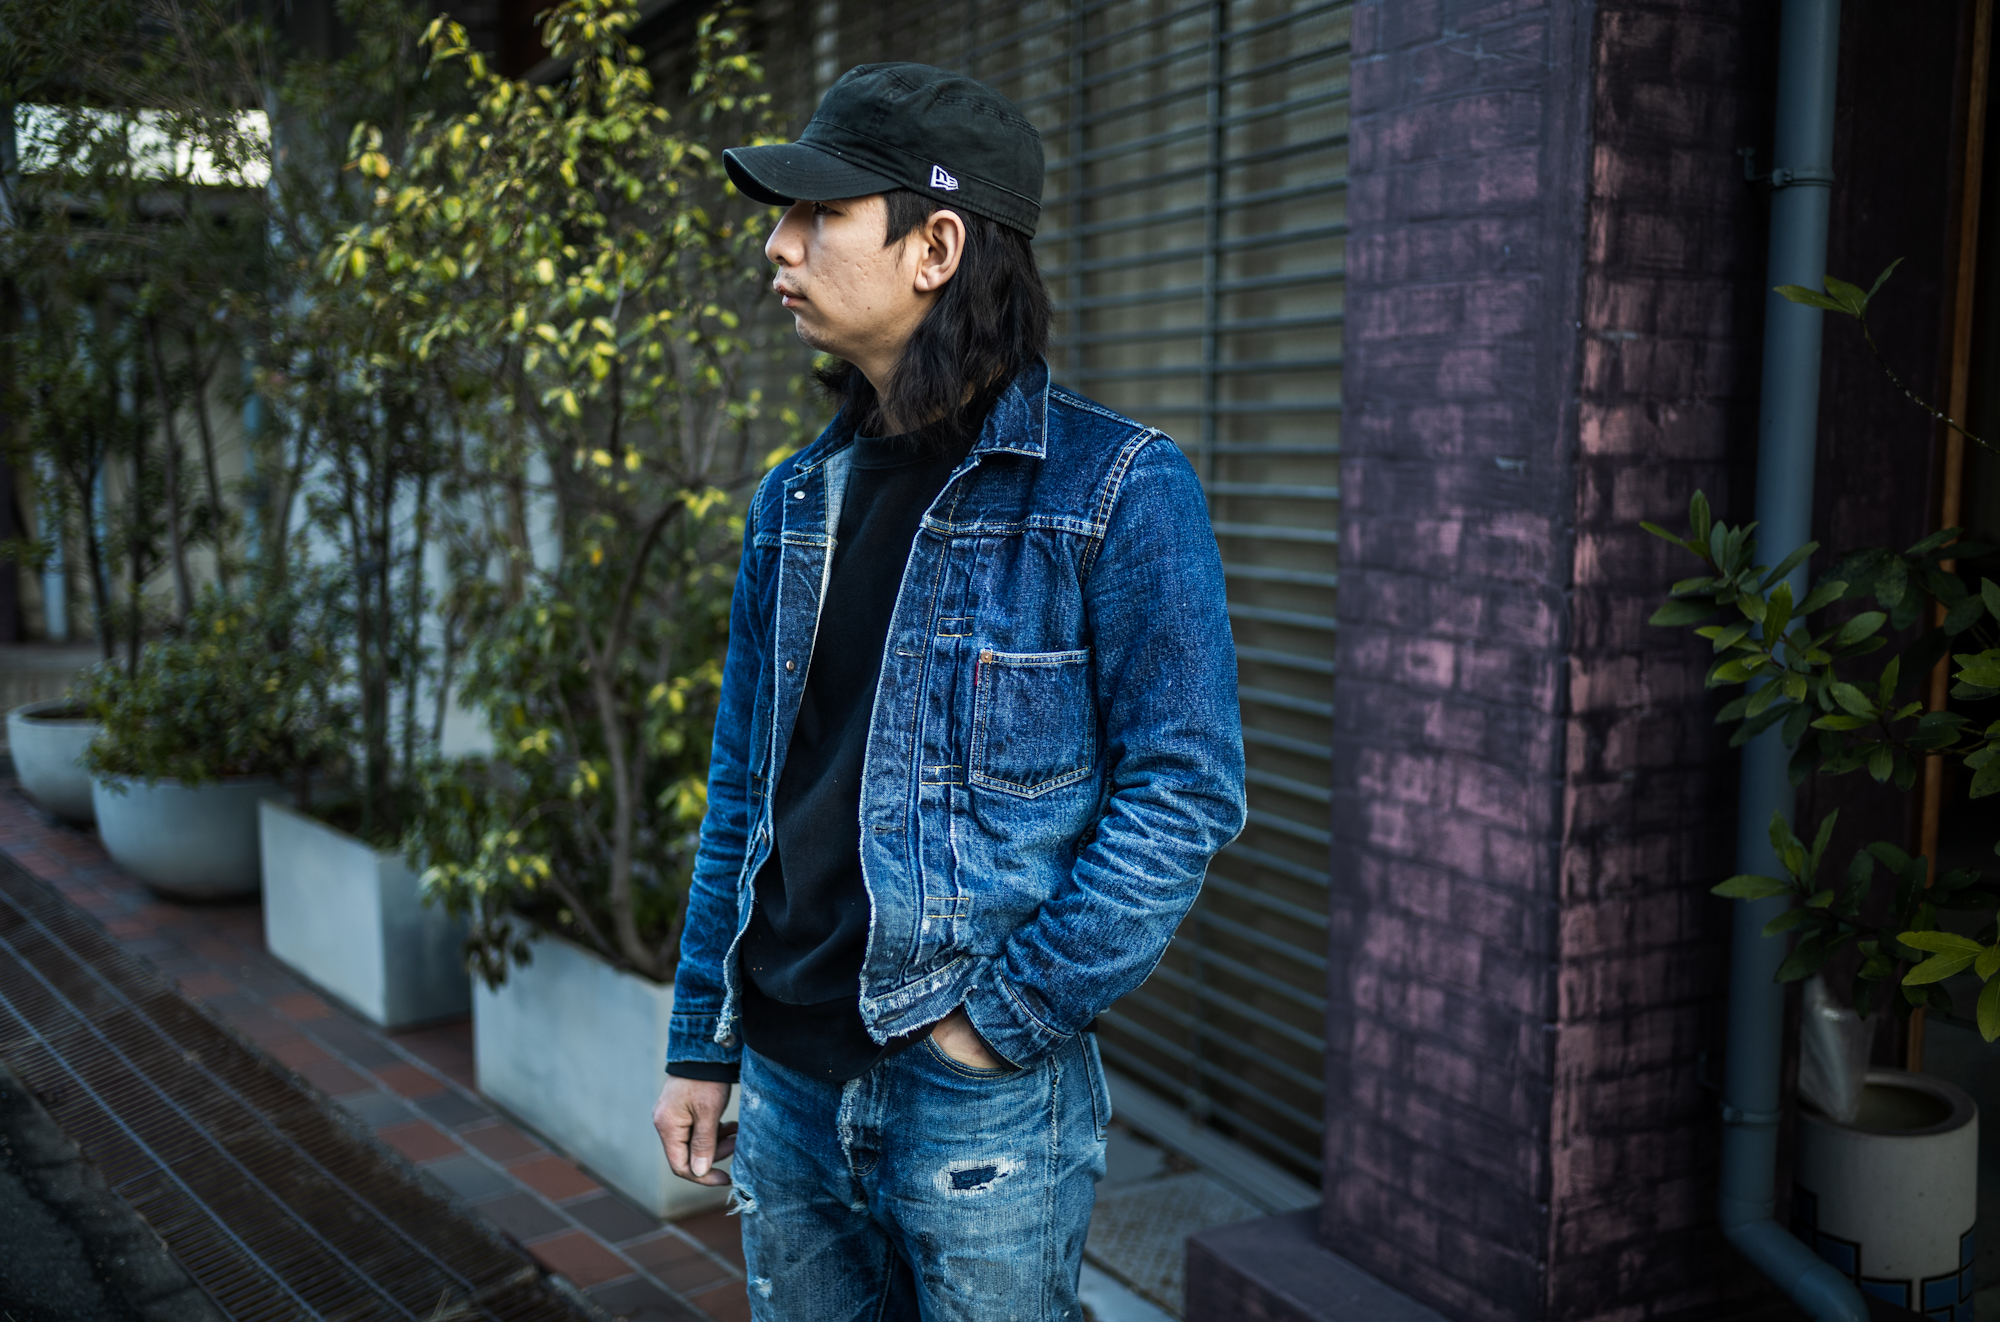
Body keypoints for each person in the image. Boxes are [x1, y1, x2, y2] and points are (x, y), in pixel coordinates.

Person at [651, 61, 1245, 1322]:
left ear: (935, 248)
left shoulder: (1114, 490)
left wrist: (999, 1019)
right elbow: (743, 790)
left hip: (977, 1095)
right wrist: (702, 1038)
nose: (779, 244)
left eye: (820, 214)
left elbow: (1184, 792)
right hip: (786, 1079)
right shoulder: (792, 503)